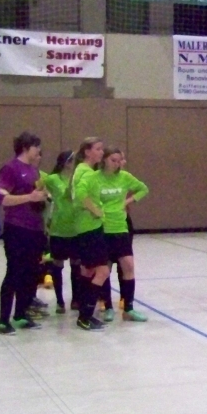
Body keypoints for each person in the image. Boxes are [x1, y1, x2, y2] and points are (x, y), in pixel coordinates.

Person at [0, 132, 50, 333]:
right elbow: (1, 198)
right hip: (17, 227)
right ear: (26, 147)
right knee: (14, 271)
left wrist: (42, 198)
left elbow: (35, 197)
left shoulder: (34, 170)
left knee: (30, 273)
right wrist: (29, 197)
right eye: (36, 146)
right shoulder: (11, 168)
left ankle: (20, 313)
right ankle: (4, 320)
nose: (39, 150)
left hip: (35, 227)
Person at [92, 147, 149, 321]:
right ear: (104, 160)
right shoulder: (95, 178)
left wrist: (128, 201)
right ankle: (108, 306)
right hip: (103, 228)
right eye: (113, 160)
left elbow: (143, 189)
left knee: (128, 266)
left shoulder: (125, 177)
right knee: (105, 269)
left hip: (120, 228)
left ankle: (128, 308)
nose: (117, 164)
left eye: (119, 160)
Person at [71, 138, 112, 330]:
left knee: (88, 271)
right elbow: (81, 194)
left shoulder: (81, 170)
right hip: (90, 227)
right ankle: (85, 316)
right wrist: (97, 211)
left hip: (84, 227)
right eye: (98, 149)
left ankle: (84, 313)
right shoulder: (87, 172)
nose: (102, 152)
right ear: (87, 152)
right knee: (102, 271)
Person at [43, 151, 80, 315]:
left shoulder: (78, 178)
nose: (73, 163)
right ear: (64, 162)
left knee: (76, 264)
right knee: (57, 265)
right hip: (58, 228)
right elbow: (65, 193)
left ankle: (76, 299)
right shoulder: (53, 179)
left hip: (75, 227)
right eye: (71, 160)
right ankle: (59, 301)